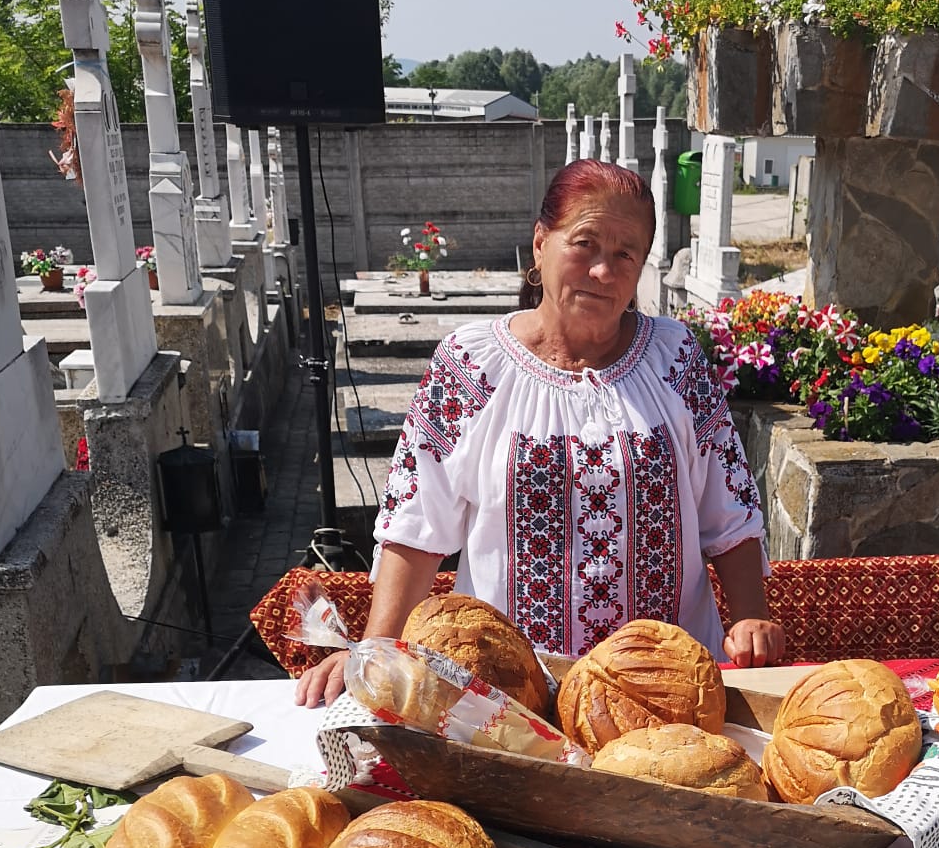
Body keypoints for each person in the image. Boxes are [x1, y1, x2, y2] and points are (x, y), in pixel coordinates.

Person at [297, 160, 784, 706]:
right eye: (585, 243)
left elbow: (728, 509)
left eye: (626, 254)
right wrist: (374, 651)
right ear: (539, 244)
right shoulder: (471, 366)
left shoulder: (675, 358)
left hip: (666, 692)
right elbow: (417, 526)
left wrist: (750, 618)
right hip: (510, 699)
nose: (603, 270)